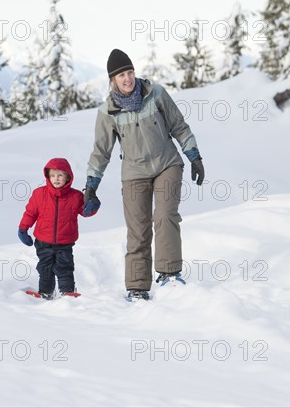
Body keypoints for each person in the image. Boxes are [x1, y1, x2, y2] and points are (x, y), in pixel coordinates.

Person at [83, 49, 205, 301]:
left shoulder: (156, 94)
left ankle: (169, 273)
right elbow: (101, 152)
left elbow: (179, 126)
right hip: (134, 174)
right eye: (121, 75)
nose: (127, 78)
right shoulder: (107, 113)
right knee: (138, 230)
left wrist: (194, 156)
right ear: (112, 80)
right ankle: (137, 286)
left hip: (167, 164)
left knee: (164, 215)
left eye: (130, 72)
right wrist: (91, 185)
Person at [18, 157, 100, 299]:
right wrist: (23, 229)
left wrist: (93, 207)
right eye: (53, 175)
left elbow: (85, 211)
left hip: (65, 241)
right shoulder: (39, 194)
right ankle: (45, 292)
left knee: (64, 267)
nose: (56, 179)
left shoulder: (76, 196)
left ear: (68, 176)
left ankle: (67, 292)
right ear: (48, 177)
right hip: (43, 240)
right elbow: (30, 213)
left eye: (60, 175)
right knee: (45, 268)